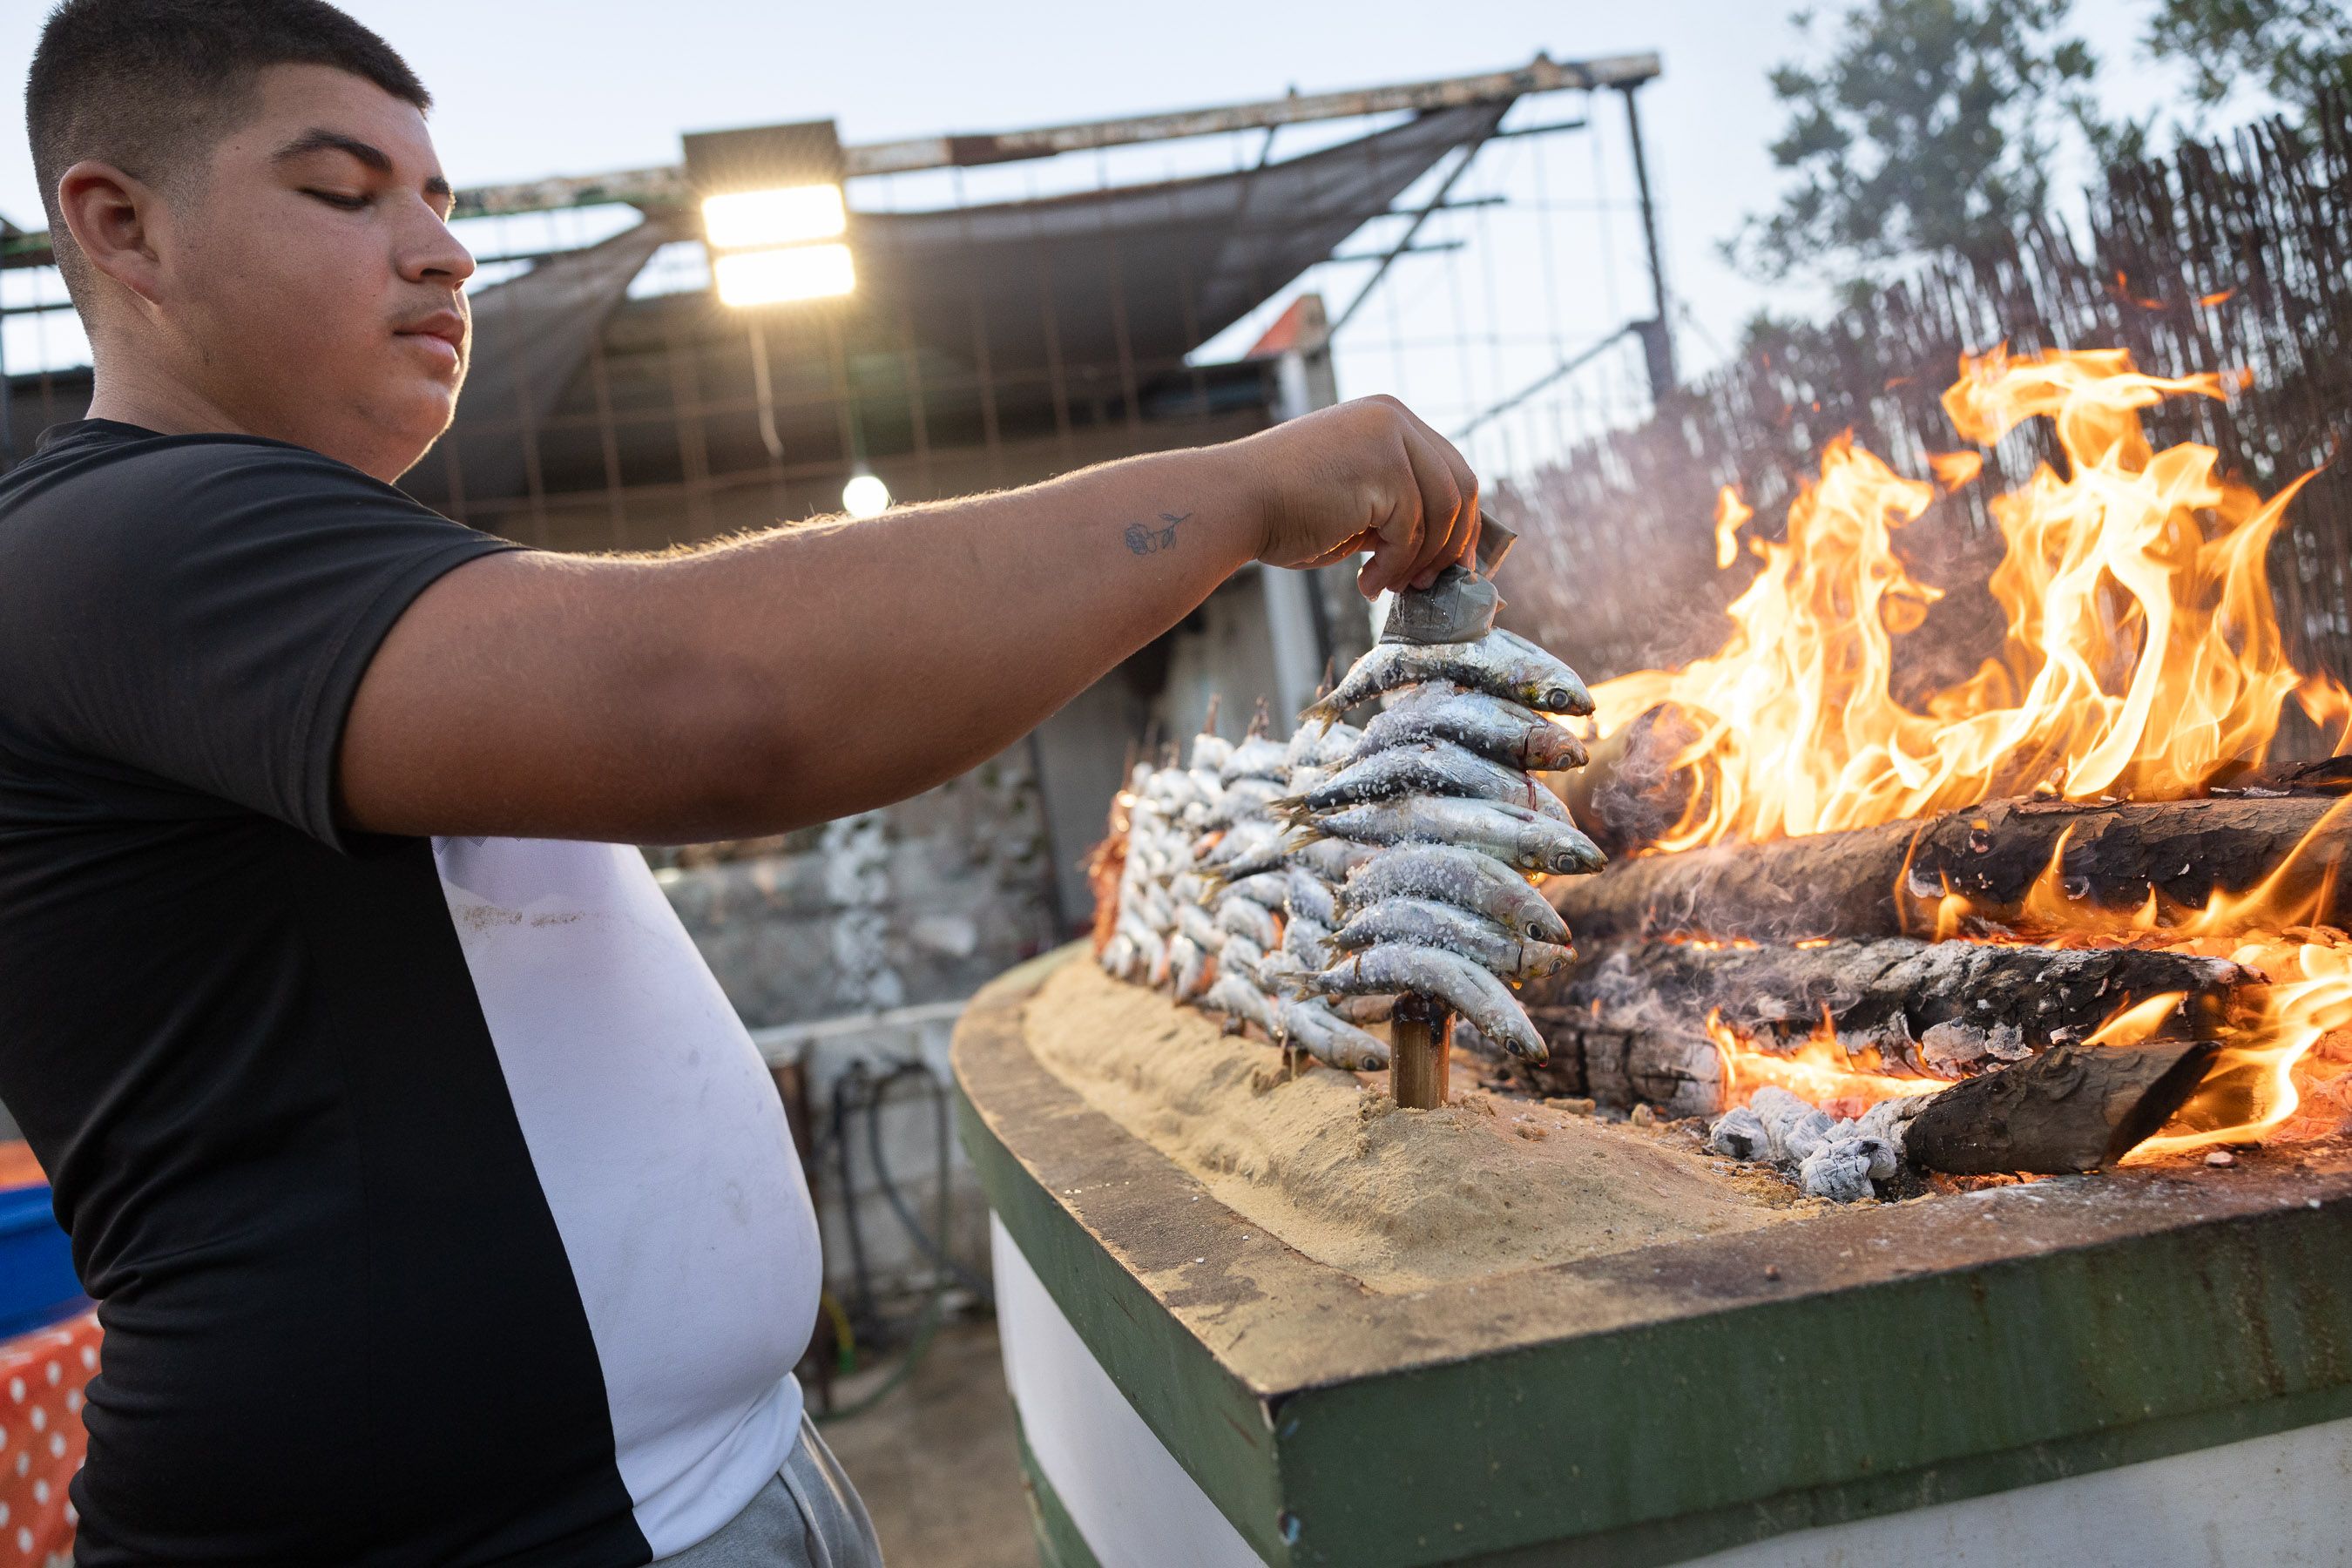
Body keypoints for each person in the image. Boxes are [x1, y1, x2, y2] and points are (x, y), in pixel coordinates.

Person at [0, 2, 1483, 1563]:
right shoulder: (120, 545)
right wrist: (1238, 491)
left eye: (441, 199)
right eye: (342, 192)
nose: (444, 254)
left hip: (696, 1481)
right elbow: (719, 705)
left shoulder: (277, 552)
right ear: (123, 227)